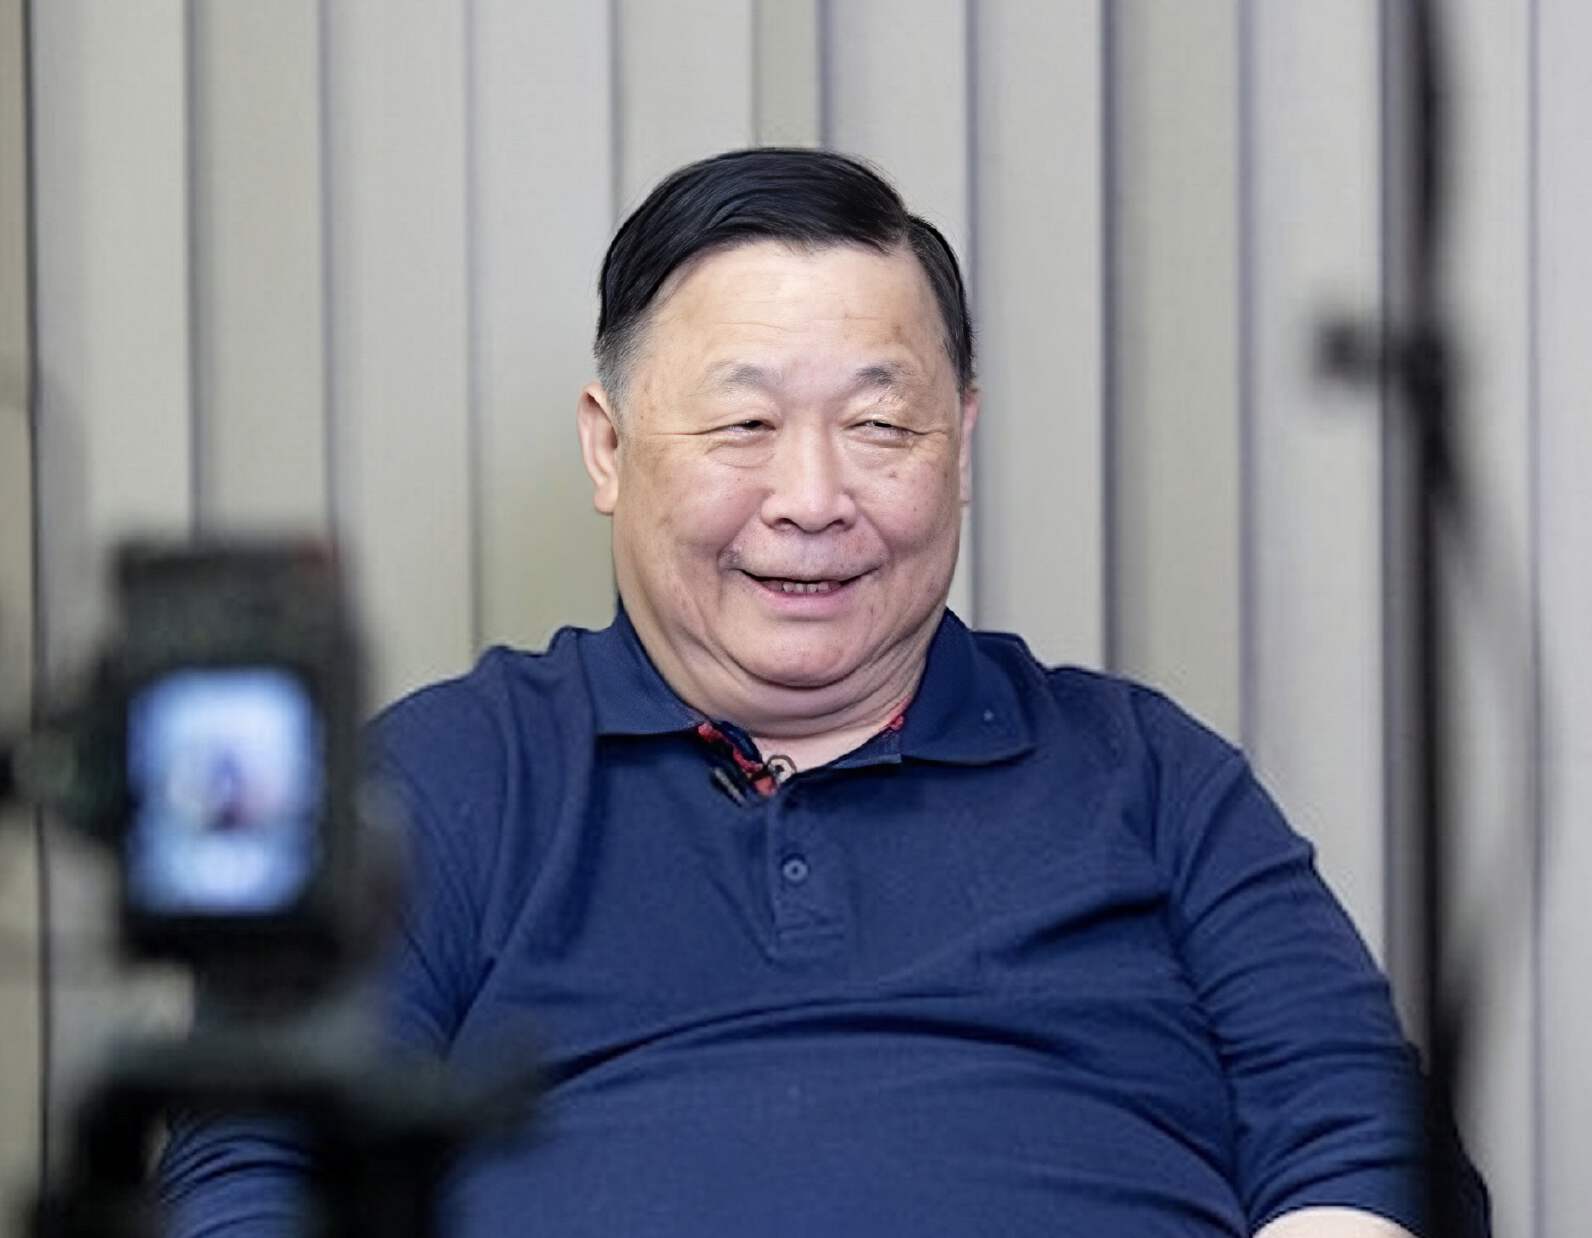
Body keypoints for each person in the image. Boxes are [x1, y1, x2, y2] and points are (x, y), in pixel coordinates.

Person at [158, 148, 1488, 1237]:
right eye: (744, 425)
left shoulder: (1147, 774)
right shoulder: (442, 778)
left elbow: (1365, 1138)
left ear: (960, 443)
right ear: (608, 448)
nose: (811, 498)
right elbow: (251, 1159)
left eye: (879, 425)